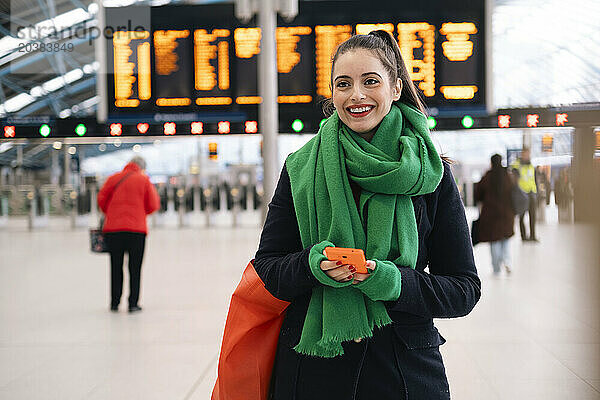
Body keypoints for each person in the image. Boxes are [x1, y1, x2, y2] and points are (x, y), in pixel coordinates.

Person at [253, 31, 481, 400]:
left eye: (370, 81)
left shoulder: (430, 175)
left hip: (404, 373)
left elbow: (463, 290)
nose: (356, 95)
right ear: (332, 95)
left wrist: (394, 283)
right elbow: (268, 268)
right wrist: (311, 266)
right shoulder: (300, 169)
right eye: (343, 84)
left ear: (395, 88)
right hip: (313, 373)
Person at [98, 156, 159, 312]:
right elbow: (153, 204)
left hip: (114, 230)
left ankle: (114, 303)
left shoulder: (113, 178)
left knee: (115, 266)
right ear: (141, 167)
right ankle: (133, 303)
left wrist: (112, 213)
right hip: (137, 231)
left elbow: (101, 199)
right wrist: (139, 212)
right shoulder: (144, 180)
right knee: (135, 267)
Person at [474, 154, 515, 275]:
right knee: (505, 238)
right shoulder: (507, 175)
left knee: (494, 240)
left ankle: (496, 267)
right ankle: (507, 261)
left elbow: (478, 193)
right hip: (507, 212)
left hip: (491, 213)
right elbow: (513, 191)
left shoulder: (488, 176)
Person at [511, 147, 538, 242]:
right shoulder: (516, 165)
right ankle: (524, 237)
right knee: (521, 216)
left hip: (531, 193)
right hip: (521, 194)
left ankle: (533, 236)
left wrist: (536, 191)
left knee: (532, 216)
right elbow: (513, 179)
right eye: (525, 154)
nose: (527, 156)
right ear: (522, 154)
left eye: (528, 154)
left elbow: (534, 179)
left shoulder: (531, 165)